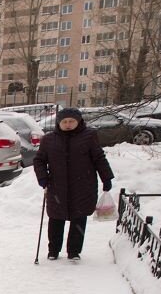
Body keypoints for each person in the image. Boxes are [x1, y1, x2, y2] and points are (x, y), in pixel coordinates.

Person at [33, 107, 114, 261]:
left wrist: (106, 177)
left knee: (79, 219)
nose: (68, 124)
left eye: (71, 121)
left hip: (83, 186)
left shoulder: (89, 136)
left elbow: (99, 158)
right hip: (57, 186)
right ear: (59, 123)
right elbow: (39, 160)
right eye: (64, 122)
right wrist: (42, 177)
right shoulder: (49, 139)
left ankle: (74, 252)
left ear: (78, 121)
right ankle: (53, 251)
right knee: (56, 219)